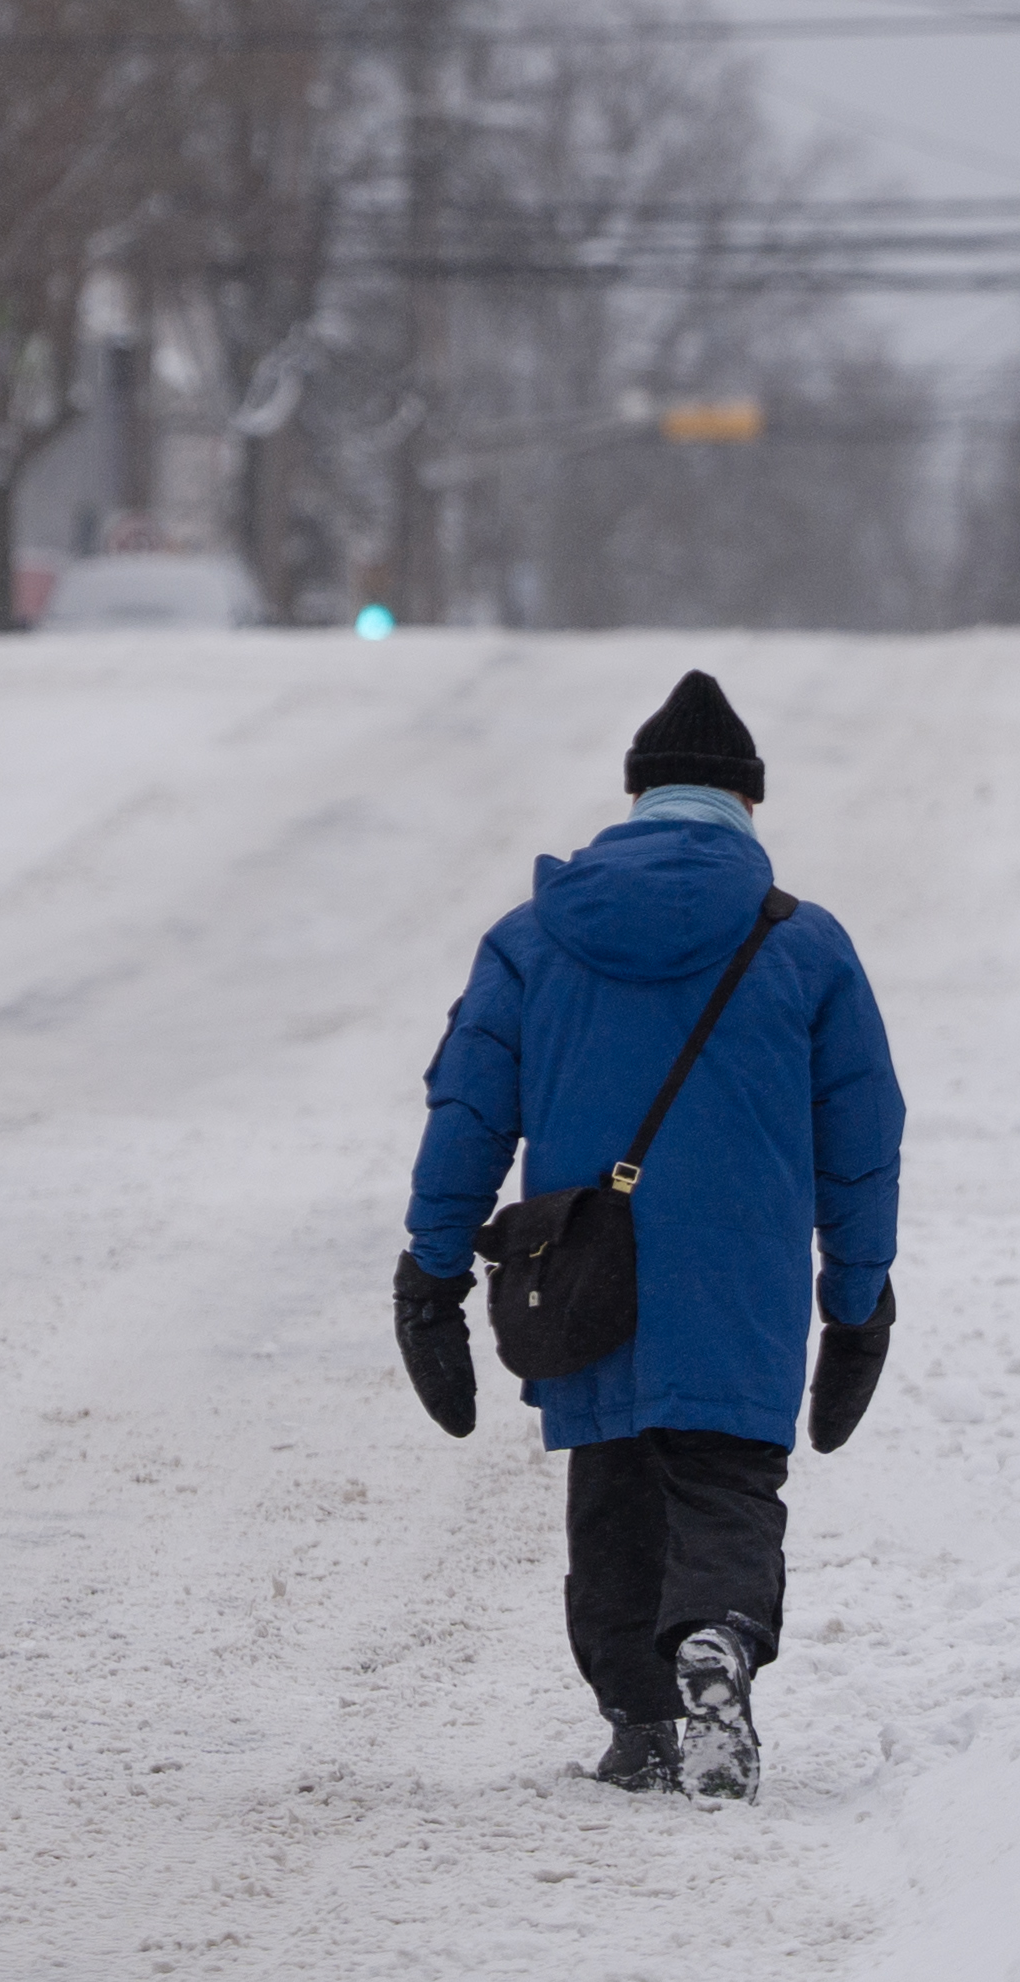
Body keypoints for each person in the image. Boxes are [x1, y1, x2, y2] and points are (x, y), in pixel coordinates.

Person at [392, 670, 905, 1800]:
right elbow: (863, 1134)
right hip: (743, 1270)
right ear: (747, 804)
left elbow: (467, 1114)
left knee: (613, 1481)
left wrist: (430, 1273)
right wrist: (857, 1299)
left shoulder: (531, 939)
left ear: (634, 797)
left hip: (585, 1264)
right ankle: (717, 1638)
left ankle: (640, 1724)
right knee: (725, 1476)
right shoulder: (807, 946)